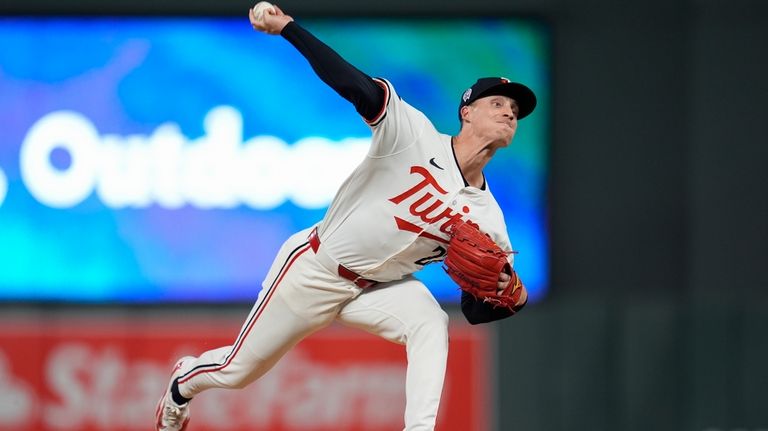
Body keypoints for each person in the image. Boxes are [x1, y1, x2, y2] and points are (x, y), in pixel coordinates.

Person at [155, 4, 534, 430]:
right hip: (316, 268)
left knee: (430, 321)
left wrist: (512, 298)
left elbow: (476, 307)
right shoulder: (413, 134)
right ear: (466, 112)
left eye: (515, 112)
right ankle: (181, 385)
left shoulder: (490, 219)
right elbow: (353, 83)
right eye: (497, 103)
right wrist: (288, 29)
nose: (508, 113)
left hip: (379, 289)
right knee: (238, 371)